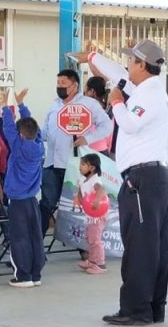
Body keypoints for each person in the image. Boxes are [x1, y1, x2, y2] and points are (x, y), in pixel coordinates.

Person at [96, 39, 168, 327]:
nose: (128, 65)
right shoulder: (150, 91)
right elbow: (118, 75)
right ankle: (154, 307)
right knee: (154, 245)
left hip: (143, 178)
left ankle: (136, 309)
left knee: (139, 245)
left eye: (132, 61)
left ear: (143, 65)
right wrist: (93, 56)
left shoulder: (148, 95)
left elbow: (129, 123)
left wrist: (116, 101)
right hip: (155, 177)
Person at [39, 68, 113, 236]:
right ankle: (35, 245)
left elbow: (107, 126)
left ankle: (85, 247)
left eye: (63, 83)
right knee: (46, 204)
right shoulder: (53, 105)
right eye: (58, 83)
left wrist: (88, 138)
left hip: (74, 165)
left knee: (78, 205)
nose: (59, 87)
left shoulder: (88, 104)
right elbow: (45, 132)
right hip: (51, 163)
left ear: (74, 86)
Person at [0, 88, 45, 288]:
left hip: (17, 201)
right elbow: (33, 128)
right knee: (35, 235)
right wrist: (21, 105)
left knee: (20, 238)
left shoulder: (18, 147)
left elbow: (8, 127)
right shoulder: (39, 146)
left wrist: (4, 105)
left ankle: (23, 276)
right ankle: (36, 274)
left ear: (19, 134)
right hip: (33, 200)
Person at [75, 153, 108, 275]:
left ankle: (100, 264)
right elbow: (82, 195)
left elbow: (101, 189)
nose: (80, 167)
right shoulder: (84, 180)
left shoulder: (95, 180)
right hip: (90, 216)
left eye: (83, 164)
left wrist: (97, 200)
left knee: (95, 240)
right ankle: (92, 261)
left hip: (97, 217)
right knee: (89, 238)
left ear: (92, 168)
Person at [84, 76, 113, 155]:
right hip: (104, 150)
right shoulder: (108, 107)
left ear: (92, 91)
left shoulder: (86, 108)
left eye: (86, 89)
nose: (84, 92)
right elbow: (110, 133)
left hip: (88, 151)